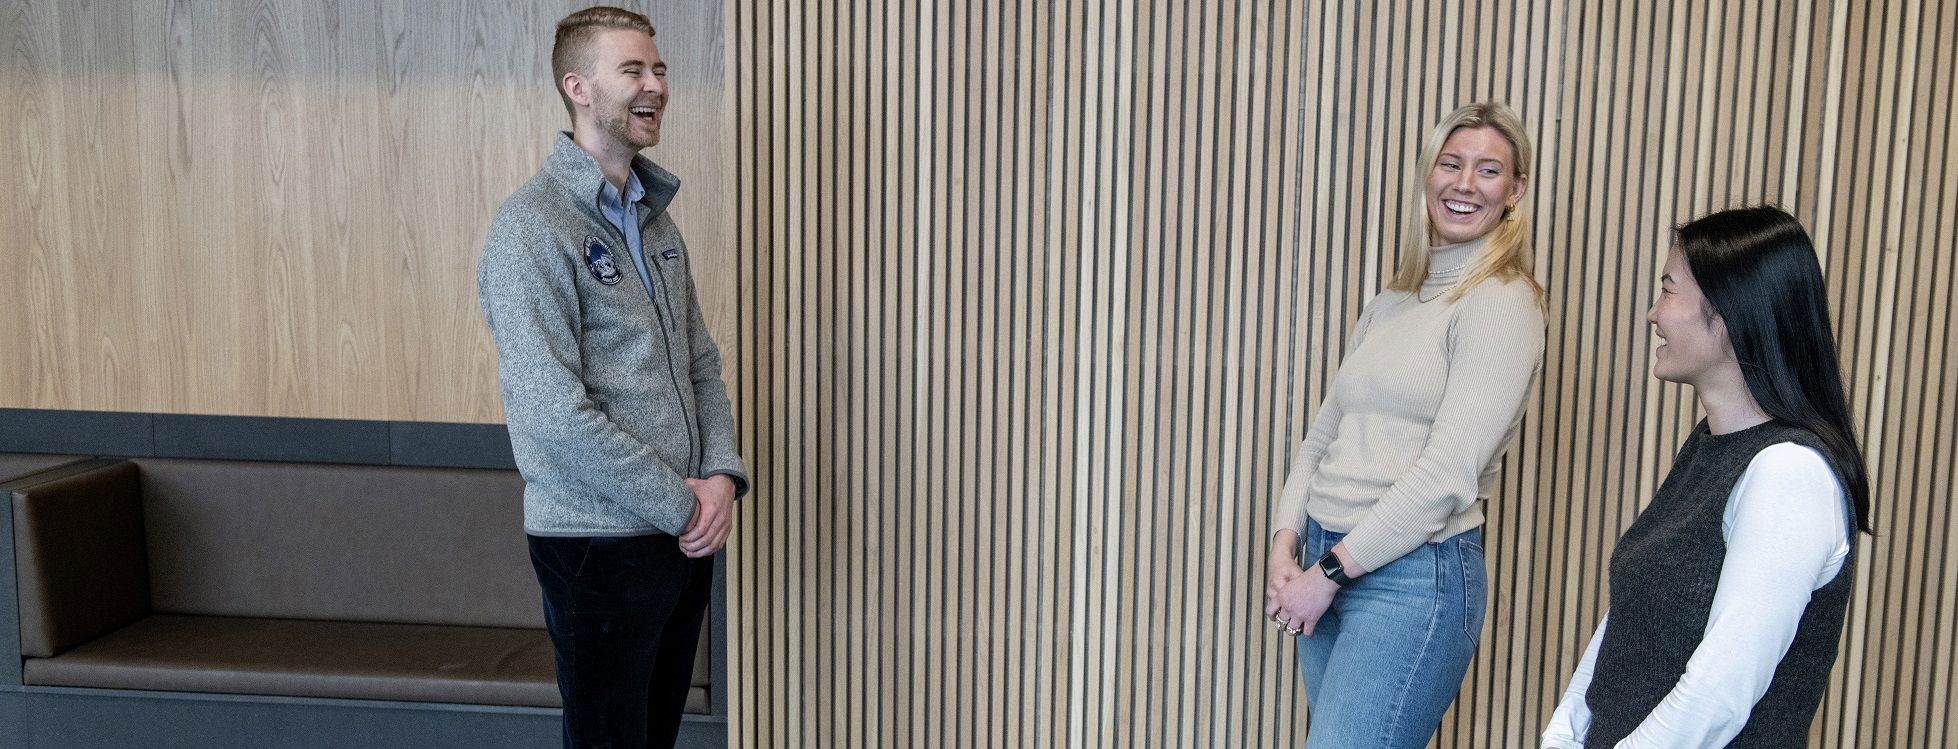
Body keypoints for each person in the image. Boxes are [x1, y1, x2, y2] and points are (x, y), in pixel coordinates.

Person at [476, 7, 750, 747]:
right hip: (598, 545)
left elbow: (699, 361)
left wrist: (720, 474)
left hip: (676, 537)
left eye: (658, 69)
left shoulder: (655, 222)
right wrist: (682, 503)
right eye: (632, 70)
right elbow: (552, 414)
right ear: (579, 87)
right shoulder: (531, 228)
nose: (655, 84)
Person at [1265, 101, 1548, 749]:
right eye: (1451, 164)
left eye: (1487, 170)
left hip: (1411, 579)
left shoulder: (1504, 302)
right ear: (1427, 174)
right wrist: (1286, 543)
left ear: (1515, 191)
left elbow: (1449, 472)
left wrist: (1327, 574)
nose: (1464, 183)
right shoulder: (1393, 303)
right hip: (1325, 558)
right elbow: (1322, 437)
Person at [1541, 206, 1870, 748]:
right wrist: (1564, 735)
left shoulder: (1789, 472)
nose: (1653, 313)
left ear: (1732, 312)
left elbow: (1718, 694)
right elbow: (1626, 627)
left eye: (1668, 291)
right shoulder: (1709, 446)